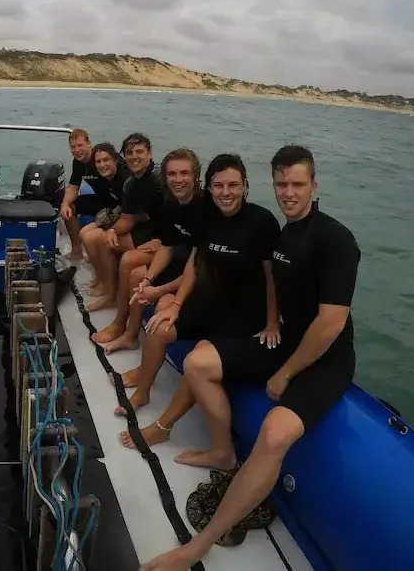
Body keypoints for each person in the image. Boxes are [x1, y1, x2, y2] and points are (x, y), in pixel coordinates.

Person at [139, 145, 360, 570]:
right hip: (283, 341)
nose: (288, 192)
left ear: (314, 185)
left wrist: (286, 373)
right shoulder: (286, 234)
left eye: (297, 184)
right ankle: (224, 453)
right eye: (282, 184)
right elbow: (270, 283)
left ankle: (196, 547)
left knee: (273, 435)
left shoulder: (336, 240)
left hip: (325, 359)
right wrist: (269, 324)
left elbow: (331, 324)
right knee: (198, 363)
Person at [119, 154, 280, 444]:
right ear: (210, 188)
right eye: (219, 186)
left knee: (198, 359)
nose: (226, 192)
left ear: (245, 185)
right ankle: (142, 393)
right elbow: (195, 262)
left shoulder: (261, 221)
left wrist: (271, 322)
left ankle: (163, 427)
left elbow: (271, 277)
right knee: (159, 327)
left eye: (233, 185)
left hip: (244, 316)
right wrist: (176, 304)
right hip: (212, 304)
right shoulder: (207, 216)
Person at [101, 148, 208, 358]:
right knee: (138, 276)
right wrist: (148, 280)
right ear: (165, 177)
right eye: (172, 174)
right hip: (183, 260)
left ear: (196, 176)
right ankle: (130, 335)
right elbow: (167, 247)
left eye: (184, 173)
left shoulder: (205, 210)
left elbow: (197, 269)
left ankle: (147, 360)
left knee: (161, 301)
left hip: (201, 276)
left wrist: (158, 291)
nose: (178, 180)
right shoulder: (171, 203)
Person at [87, 133, 163, 330]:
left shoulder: (160, 181)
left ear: (150, 154)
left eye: (139, 152)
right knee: (105, 239)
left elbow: (171, 219)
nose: (134, 156)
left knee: (130, 261)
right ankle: (110, 294)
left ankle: (121, 321)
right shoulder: (131, 183)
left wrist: (160, 240)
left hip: (162, 237)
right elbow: (128, 218)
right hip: (148, 231)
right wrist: (112, 230)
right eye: (129, 153)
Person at [80, 143, 130, 295]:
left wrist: (111, 225)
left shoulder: (124, 179)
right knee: (84, 232)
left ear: (115, 160)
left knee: (93, 237)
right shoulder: (107, 178)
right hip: (118, 216)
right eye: (98, 162)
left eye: (106, 160)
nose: (102, 165)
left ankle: (108, 285)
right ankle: (101, 278)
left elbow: (128, 211)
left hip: (128, 221)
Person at [59, 129, 101, 259]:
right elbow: (73, 187)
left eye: (80, 145)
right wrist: (65, 204)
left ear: (89, 143)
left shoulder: (100, 158)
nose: (77, 150)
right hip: (99, 198)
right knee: (70, 208)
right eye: (73, 147)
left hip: (114, 200)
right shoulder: (78, 162)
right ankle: (77, 250)